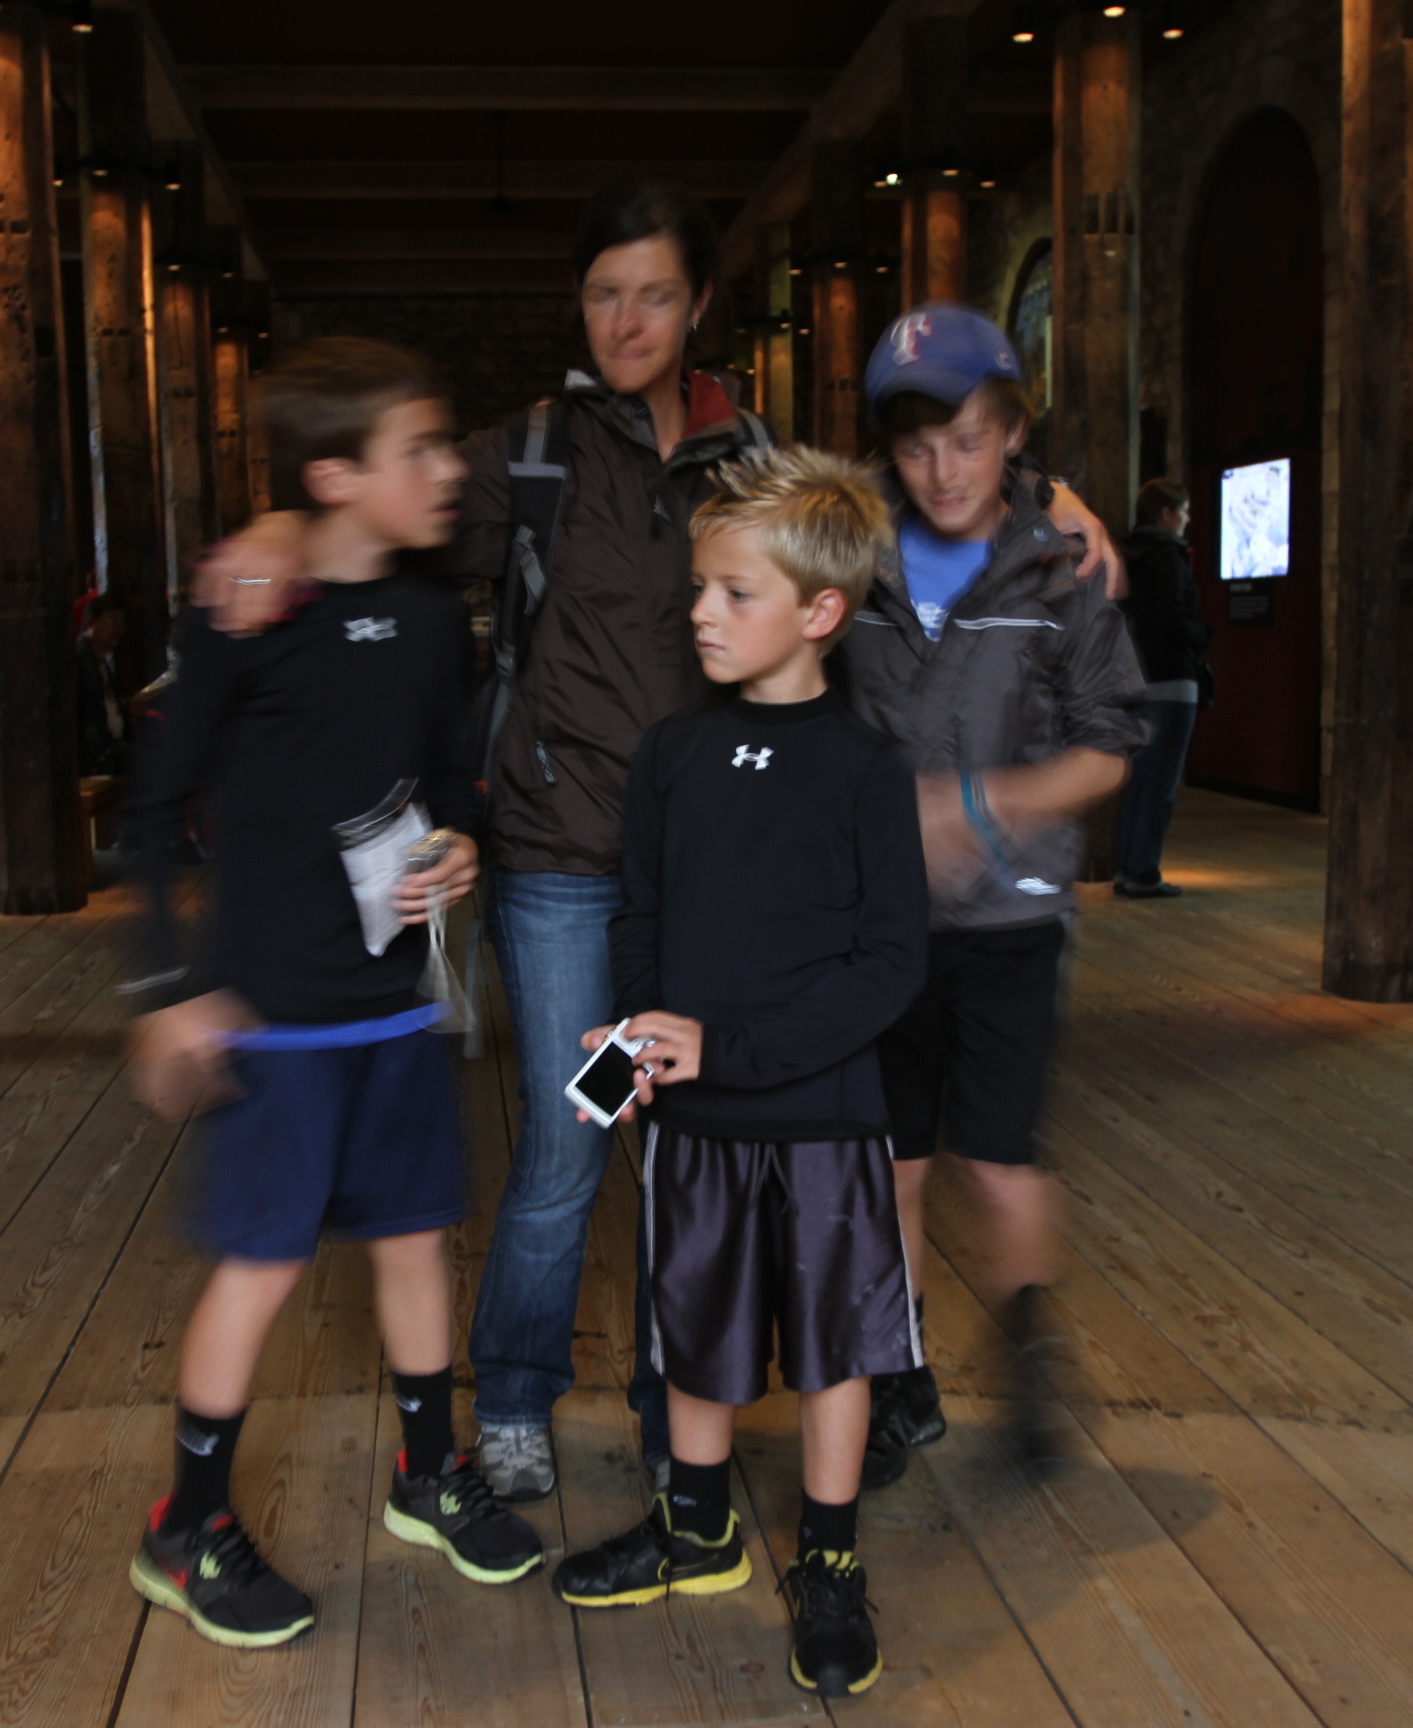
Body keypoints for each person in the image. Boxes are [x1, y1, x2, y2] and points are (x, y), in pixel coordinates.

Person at [199, 186, 1120, 1503]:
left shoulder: (755, 453)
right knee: (573, 1140)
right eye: (601, 295)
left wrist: (1052, 498)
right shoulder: (533, 451)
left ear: (697, 309)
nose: (625, 320)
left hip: (713, 867)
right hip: (566, 858)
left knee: (694, 1151)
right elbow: (387, 508)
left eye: (653, 295)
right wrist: (281, 525)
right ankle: (514, 1397)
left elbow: (884, 507)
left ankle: (669, 1410)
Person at [120, 337, 543, 1651]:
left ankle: (428, 1475)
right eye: (420, 450)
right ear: (333, 475)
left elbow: (447, 777)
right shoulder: (247, 611)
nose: (450, 470)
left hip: (397, 1005)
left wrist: (461, 841)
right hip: (276, 1021)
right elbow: (154, 806)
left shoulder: (431, 618)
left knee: (416, 1240)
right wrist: (168, 987)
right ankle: (186, 1529)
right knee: (261, 1268)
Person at [551, 446, 925, 1701]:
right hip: (694, 1120)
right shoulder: (670, 754)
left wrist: (739, 1049)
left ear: (820, 612)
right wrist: (633, 1047)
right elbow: (642, 919)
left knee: (834, 1346)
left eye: (733, 593)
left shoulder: (867, 768)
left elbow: (892, 963)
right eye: (698, 590)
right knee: (694, 1328)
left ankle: (830, 1563)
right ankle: (697, 1529)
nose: (701, 613)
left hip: (825, 1116)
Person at [834, 305, 1145, 1489]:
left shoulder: (1061, 569)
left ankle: (1028, 1352)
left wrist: (978, 805)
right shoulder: (847, 549)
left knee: (1001, 1159)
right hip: (882, 926)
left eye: (968, 440)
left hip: (1011, 922)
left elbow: (1108, 747)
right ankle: (898, 1376)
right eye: (917, 447)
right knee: (893, 1162)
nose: (944, 471)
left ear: (1013, 431)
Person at [1113, 477, 1209, 898]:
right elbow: (1175, 618)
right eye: (1184, 511)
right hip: (1171, 680)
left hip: (1136, 679)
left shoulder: (1128, 555)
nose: (1188, 519)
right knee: (1160, 783)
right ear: (1167, 514)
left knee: (1139, 782)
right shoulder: (1169, 557)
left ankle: (1127, 868)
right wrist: (1202, 636)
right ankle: (1142, 872)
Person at [75, 593, 132, 777]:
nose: (117, 630)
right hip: (100, 754)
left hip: (113, 744)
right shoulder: (79, 660)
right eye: (111, 621)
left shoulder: (101, 662)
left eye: (121, 624)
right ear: (91, 623)